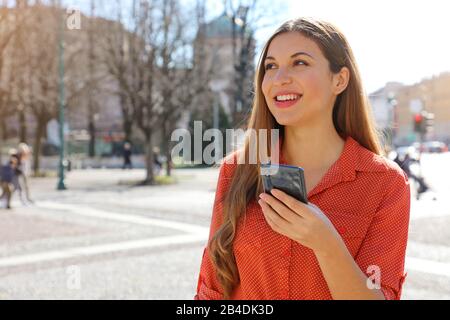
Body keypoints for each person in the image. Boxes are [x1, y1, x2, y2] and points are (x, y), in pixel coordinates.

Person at [195, 18, 410, 300]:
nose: (279, 78)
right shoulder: (236, 171)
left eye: (299, 63)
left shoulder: (386, 184)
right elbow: (210, 292)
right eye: (270, 66)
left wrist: (326, 244)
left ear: (339, 79)